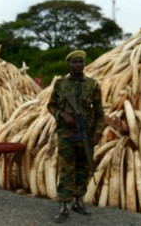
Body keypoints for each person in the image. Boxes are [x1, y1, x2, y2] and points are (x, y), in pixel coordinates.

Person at [47, 50, 105, 223]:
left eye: (81, 61)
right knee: (66, 169)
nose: (78, 64)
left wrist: (98, 133)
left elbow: (99, 113)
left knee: (83, 168)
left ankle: (78, 201)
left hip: (86, 135)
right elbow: (51, 106)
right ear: (69, 64)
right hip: (67, 135)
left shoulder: (92, 85)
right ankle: (64, 204)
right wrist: (63, 115)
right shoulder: (60, 84)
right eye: (75, 62)